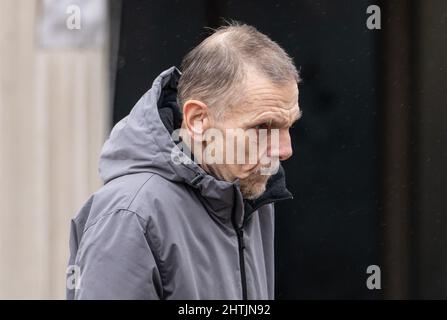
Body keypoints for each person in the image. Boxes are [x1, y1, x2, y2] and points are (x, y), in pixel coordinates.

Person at [67, 22, 301, 300]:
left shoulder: (248, 194)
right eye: (263, 127)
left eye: (289, 126)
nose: (285, 150)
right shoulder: (129, 215)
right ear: (198, 121)